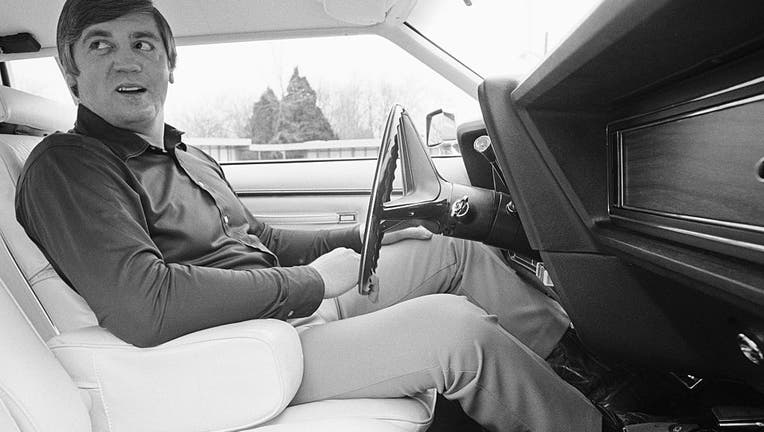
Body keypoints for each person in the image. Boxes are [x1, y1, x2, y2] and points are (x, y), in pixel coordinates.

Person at [15, 0, 610, 430]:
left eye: (142, 44)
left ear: (169, 64)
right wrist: (313, 283)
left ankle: (595, 379)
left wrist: (363, 234)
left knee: (448, 249)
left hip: (284, 313)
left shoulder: (184, 154)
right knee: (453, 329)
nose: (126, 62)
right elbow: (145, 306)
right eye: (101, 45)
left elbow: (259, 237)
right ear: (71, 71)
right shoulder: (70, 166)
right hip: (241, 353)